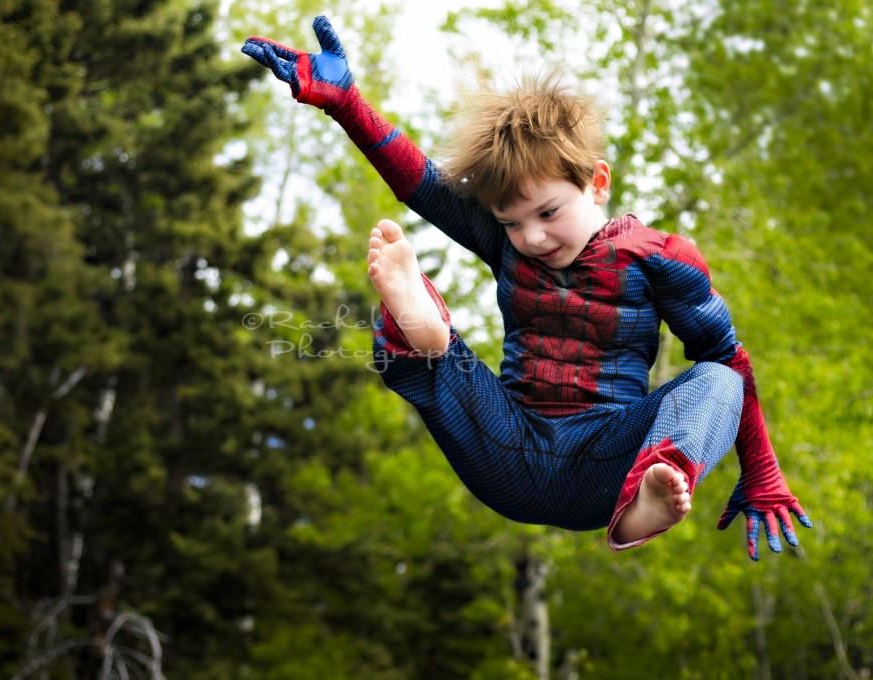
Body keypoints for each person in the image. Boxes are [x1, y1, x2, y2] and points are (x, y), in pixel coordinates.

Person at [242, 16, 811, 559]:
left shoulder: (660, 259)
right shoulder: (504, 242)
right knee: (428, 349)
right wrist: (347, 104)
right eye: (512, 222)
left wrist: (761, 471)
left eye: (547, 212)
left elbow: (729, 362)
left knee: (717, 375)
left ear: (597, 182)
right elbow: (420, 181)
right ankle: (427, 331)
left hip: (606, 462)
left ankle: (648, 503)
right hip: (503, 444)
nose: (532, 237)